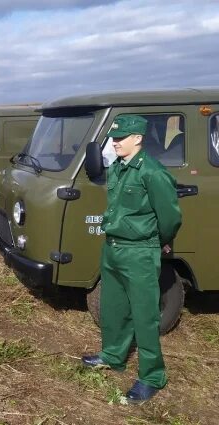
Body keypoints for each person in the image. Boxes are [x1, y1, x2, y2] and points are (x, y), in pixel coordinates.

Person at [81, 114, 182, 404]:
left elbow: (170, 218)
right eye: (113, 138)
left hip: (138, 251)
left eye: (120, 138)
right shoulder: (119, 168)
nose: (115, 143)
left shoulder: (152, 172)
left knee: (144, 316)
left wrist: (154, 242)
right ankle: (113, 355)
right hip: (112, 248)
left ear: (138, 138)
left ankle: (152, 376)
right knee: (113, 308)